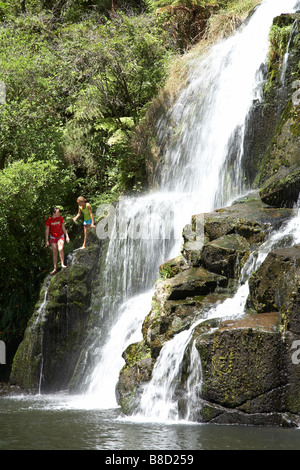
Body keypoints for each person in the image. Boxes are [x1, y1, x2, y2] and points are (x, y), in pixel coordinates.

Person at [45, 206, 70, 275]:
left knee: (60, 249)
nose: (59, 213)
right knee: (54, 251)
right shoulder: (49, 220)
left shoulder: (60, 218)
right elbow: (47, 230)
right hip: (53, 237)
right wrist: (47, 240)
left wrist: (67, 236)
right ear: (53, 213)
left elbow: (64, 228)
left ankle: (62, 264)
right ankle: (55, 268)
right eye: (57, 212)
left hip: (60, 236)